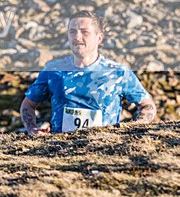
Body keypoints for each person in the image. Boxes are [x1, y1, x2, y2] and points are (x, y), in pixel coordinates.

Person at [20, 10, 157, 135]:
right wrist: (32, 129)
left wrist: (134, 128)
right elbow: (28, 105)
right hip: (60, 148)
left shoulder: (118, 73)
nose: (77, 37)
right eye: (72, 32)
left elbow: (147, 105)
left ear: (99, 38)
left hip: (103, 147)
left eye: (84, 32)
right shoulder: (53, 70)